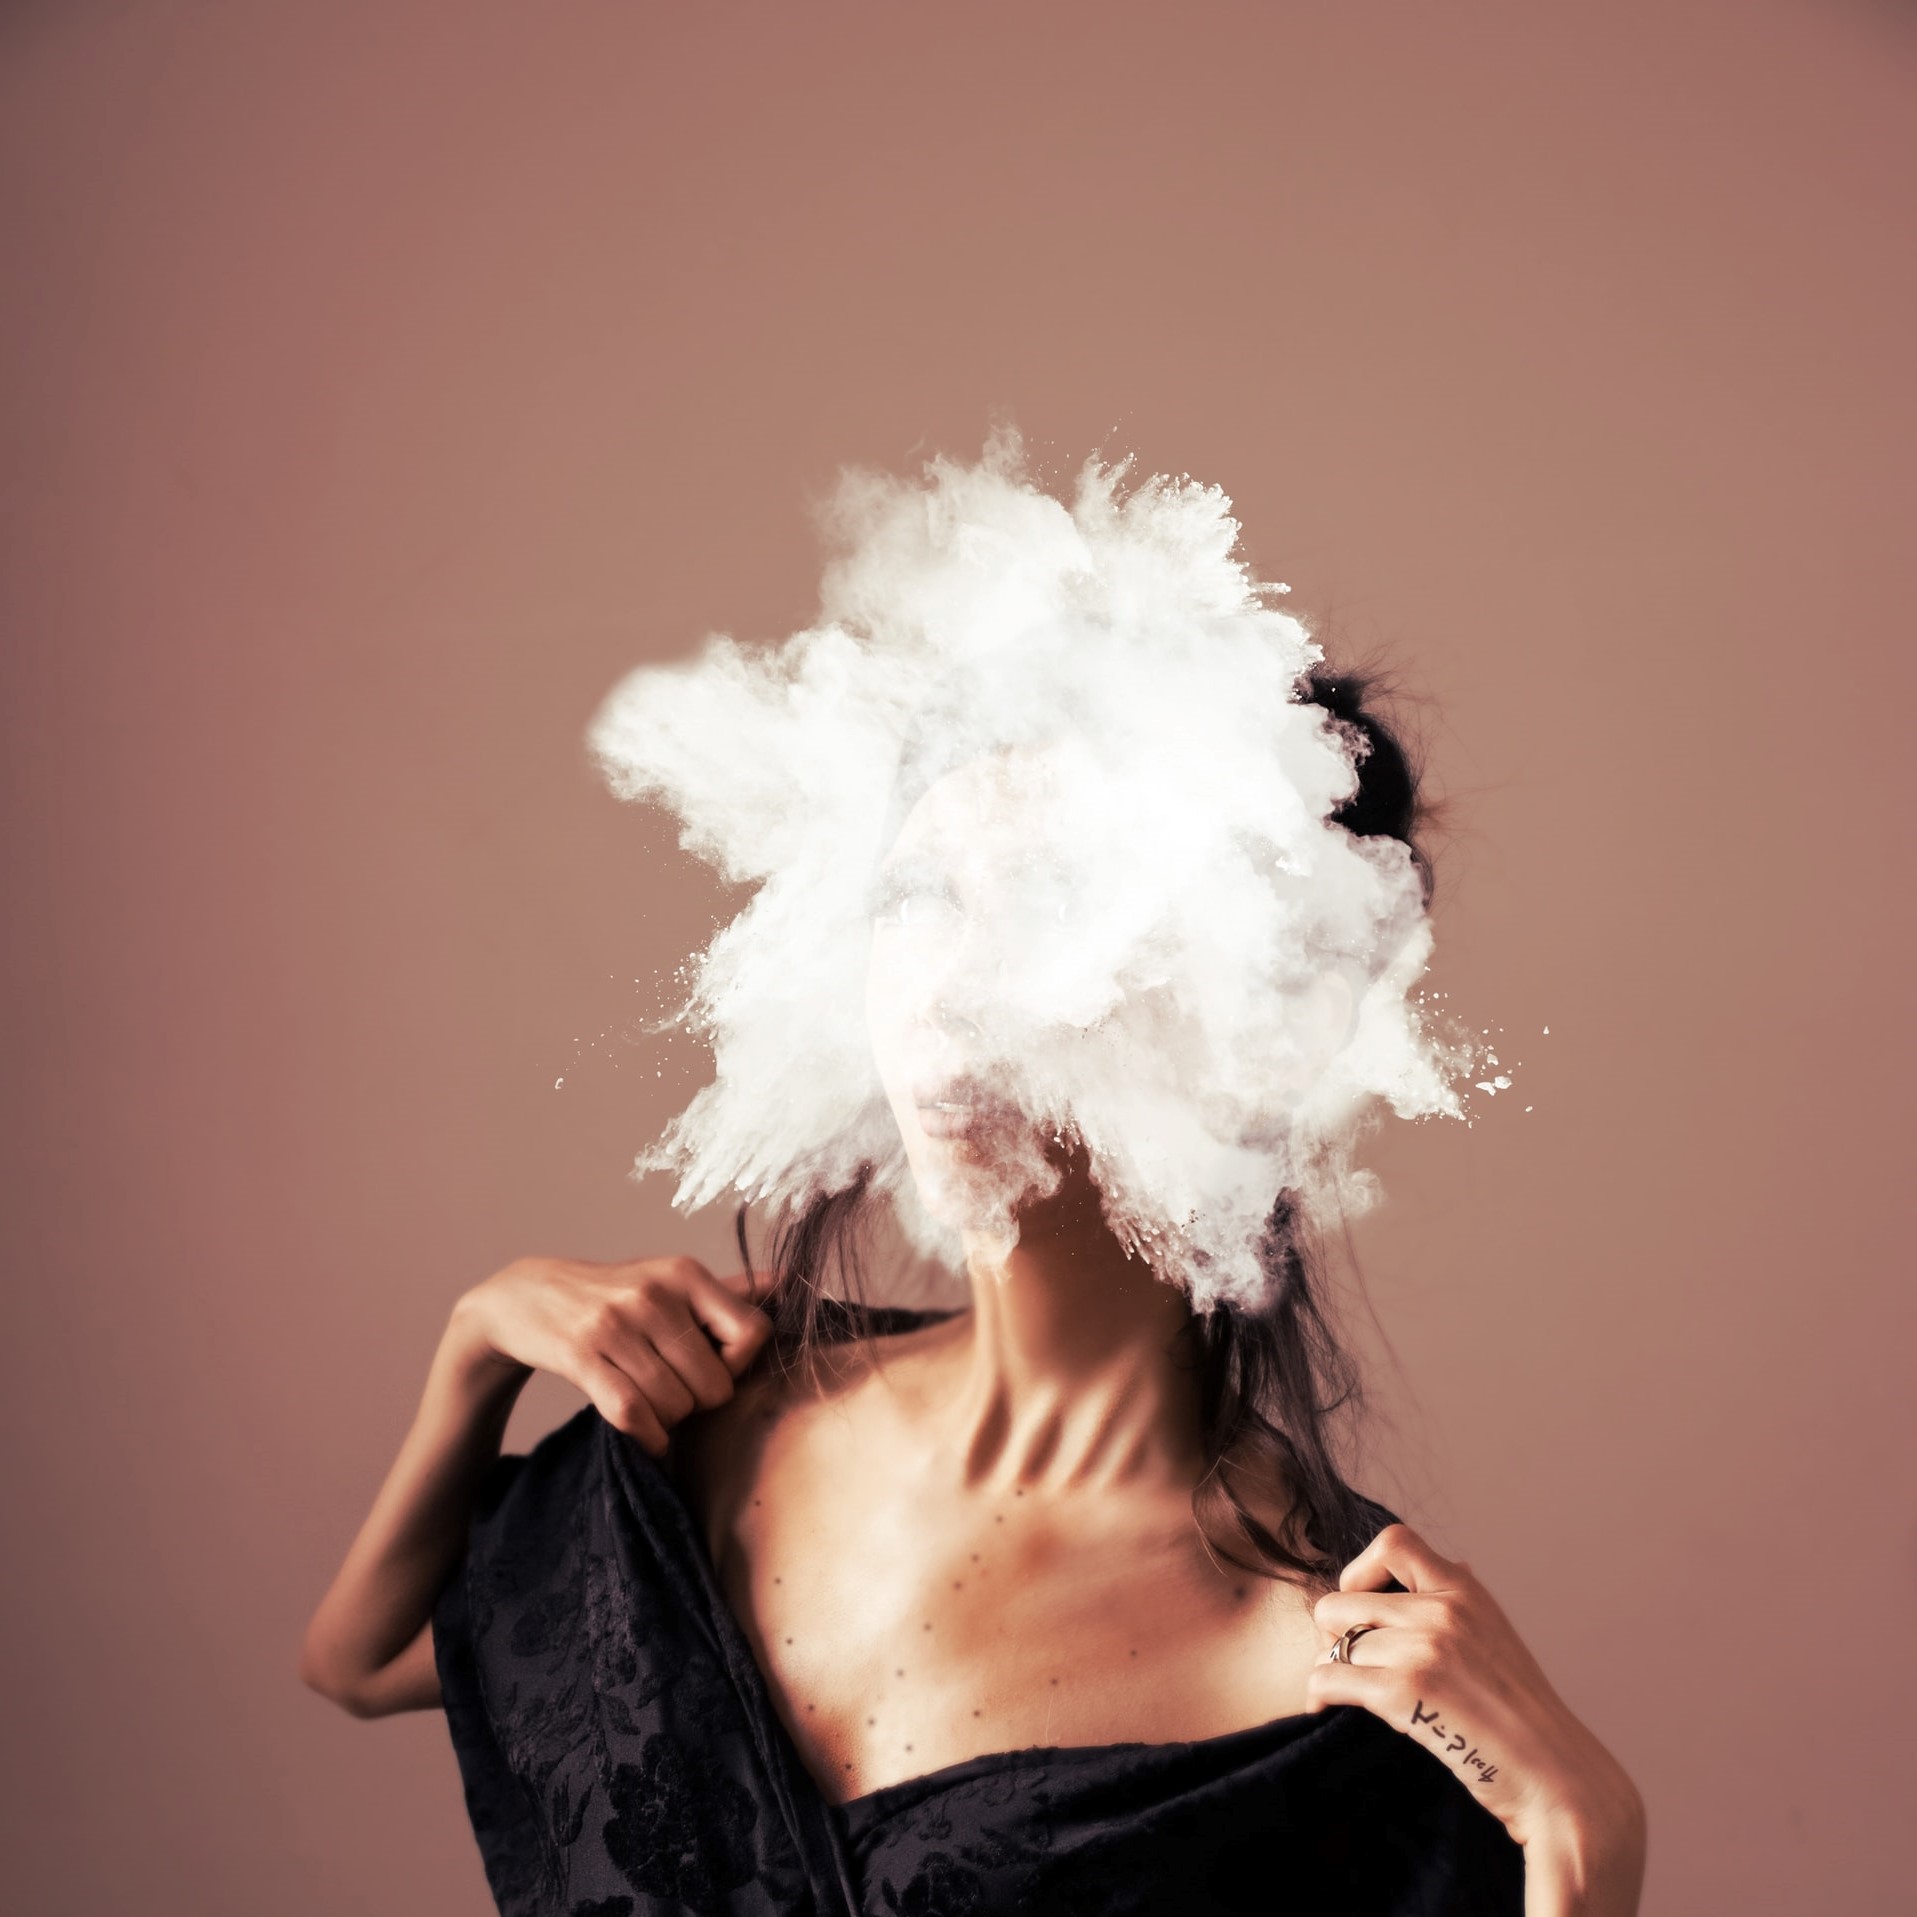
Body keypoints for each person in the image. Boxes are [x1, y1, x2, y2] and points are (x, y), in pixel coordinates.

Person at [300, 456, 1646, 1916]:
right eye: (918, 899)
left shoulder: (1321, 1667)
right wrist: (479, 1347)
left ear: (1262, 1018)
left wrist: (1583, 1838)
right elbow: (361, 1658)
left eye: (1054, 909)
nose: (945, 992)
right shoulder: (724, 1412)